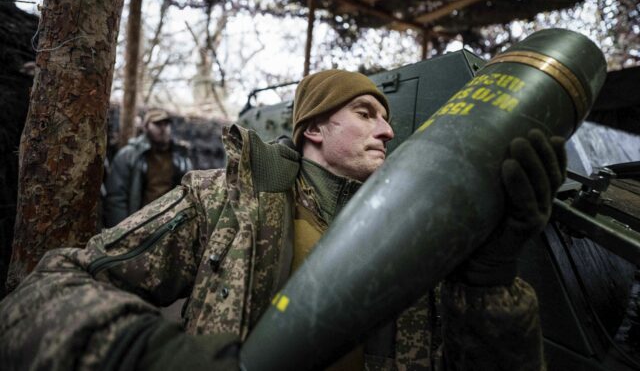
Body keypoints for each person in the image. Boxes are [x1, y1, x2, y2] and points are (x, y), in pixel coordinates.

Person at [0, 70, 566, 370]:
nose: (388, 131)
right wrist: (149, 353)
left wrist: (489, 282)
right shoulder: (225, 203)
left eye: (387, 118)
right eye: (366, 113)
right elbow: (48, 288)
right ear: (313, 129)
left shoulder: (426, 229)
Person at [103, 109, 192, 227]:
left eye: (166, 124)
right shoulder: (129, 155)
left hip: (169, 224)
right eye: (157, 124)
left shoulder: (181, 158)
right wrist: (122, 230)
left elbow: (188, 195)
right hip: (138, 223)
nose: (163, 128)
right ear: (145, 127)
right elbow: (116, 197)